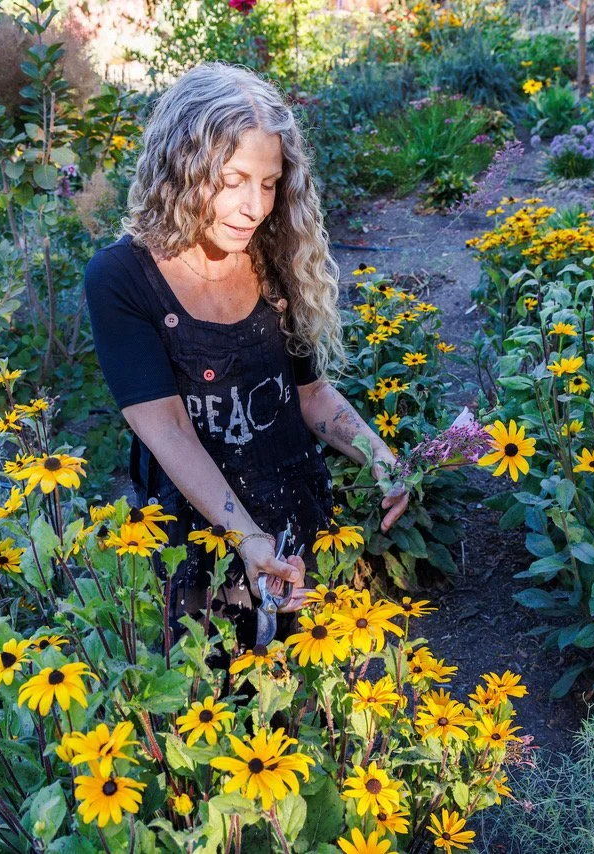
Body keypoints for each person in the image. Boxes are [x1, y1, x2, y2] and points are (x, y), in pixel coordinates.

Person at [83, 62, 408, 652]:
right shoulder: (121, 277)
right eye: (231, 179)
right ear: (180, 167)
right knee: (217, 693)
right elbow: (167, 428)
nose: (254, 206)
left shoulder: (273, 255)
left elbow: (309, 394)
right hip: (197, 535)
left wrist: (378, 453)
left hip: (297, 510)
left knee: (307, 683)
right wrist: (247, 537)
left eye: (269, 182)